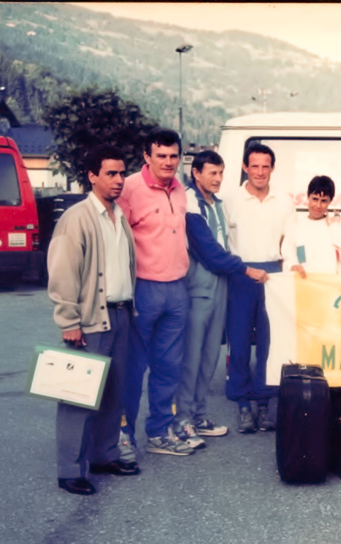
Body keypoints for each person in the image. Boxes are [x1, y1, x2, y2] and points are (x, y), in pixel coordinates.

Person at [47, 144, 139, 495]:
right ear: (92, 176)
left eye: (121, 173)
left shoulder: (118, 216)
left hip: (120, 315)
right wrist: (69, 320)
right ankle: (70, 470)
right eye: (111, 174)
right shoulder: (77, 218)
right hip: (88, 322)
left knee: (113, 395)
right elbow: (62, 272)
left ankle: (104, 455)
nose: (119, 180)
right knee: (78, 396)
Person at [174, 151, 263, 448]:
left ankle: (198, 415)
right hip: (200, 286)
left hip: (222, 285)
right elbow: (209, 252)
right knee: (192, 356)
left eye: (221, 173)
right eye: (211, 173)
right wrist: (245, 268)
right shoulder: (189, 202)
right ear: (196, 173)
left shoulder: (218, 205)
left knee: (211, 354)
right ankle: (182, 419)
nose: (218, 179)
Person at [117, 128, 193, 457]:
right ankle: (122, 434)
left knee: (168, 367)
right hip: (143, 289)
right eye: (160, 155)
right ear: (147, 157)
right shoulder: (130, 188)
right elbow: (118, 241)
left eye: (173, 155)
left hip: (177, 288)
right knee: (133, 368)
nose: (168, 162)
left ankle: (159, 431)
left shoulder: (180, 190)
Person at [224, 143, 294, 433]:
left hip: (273, 274)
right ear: (245, 167)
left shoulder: (284, 201)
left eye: (266, 166)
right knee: (239, 343)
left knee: (269, 343)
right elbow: (223, 241)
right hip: (241, 274)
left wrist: (292, 267)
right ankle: (242, 404)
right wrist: (239, 268)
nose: (260, 172)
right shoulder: (231, 200)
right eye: (255, 166)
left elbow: (291, 240)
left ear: (273, 169)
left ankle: (265, 404)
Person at [281, 175, 341, 277]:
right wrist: (292, 266)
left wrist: (334, 228)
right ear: (308, 197)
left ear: (330, 201)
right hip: (305, 288)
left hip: (335, 289)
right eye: (315, 199)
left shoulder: (339, 226)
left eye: (324, 201)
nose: (318, 205)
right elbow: (288, 257)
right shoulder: (296, 228)